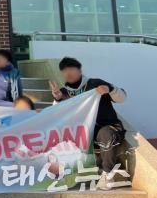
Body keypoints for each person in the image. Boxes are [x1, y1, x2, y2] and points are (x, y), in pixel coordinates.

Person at [50, 57, 127, 190]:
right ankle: (61, 176)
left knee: (106, 134)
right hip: (81, 133)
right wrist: (57, 99)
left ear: (80, 70)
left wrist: (109, 89)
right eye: (64, 70)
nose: (68, 73)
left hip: (104, 128)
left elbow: (122, 97)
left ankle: (107, 174)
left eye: (71, 69)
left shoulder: (95, 84)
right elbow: (56, 116)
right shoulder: (63, 92)